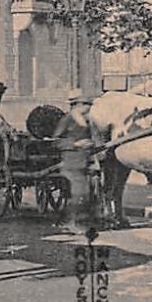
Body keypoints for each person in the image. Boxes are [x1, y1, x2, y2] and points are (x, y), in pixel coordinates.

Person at [53, 89, 100, 234]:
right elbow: (56, 141)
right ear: (76, 105)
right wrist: (75, 144)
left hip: (85, 162)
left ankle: (72, 221)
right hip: (71, 163)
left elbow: (95, 139)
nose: (89, 107)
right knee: (80, 194)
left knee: (87, 194)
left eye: (90, 105)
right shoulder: (68, 119)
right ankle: (71, 223)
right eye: (86, 104)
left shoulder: (87, 121)